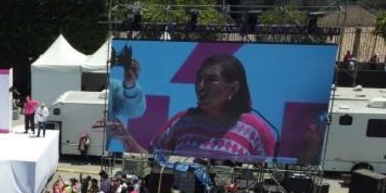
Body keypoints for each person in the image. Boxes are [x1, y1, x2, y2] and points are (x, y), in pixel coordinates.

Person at [113, 54, 277, 161]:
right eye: (199, 79)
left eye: (210, 79)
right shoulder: (181, 122)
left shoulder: (256, 130)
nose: (200, 86)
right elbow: (151, 162)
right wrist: (129, 140)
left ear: (233, 88)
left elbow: (270, 174)